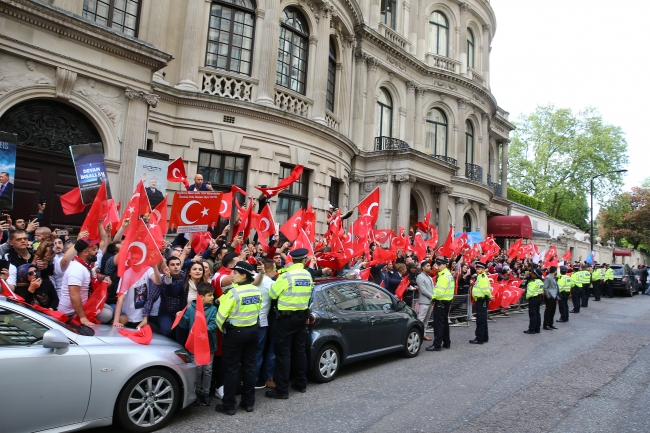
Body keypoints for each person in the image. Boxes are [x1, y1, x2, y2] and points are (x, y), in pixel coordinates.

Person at [214, 261, 261, 415]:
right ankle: (248, 402)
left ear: (243, 275)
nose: (231, 275)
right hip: (253, 332)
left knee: (232, 370)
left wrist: (225, 329)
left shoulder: (232, 293)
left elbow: (220, 318)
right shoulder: (256, 291)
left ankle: (228, 405)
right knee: (249, 367)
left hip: (235, 335)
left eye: (234, 273)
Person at [265, 248, 313, 399]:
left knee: (283, 354)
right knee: (299, 351)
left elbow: (272, 293)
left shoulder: (286, 276)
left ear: (292, 259)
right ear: (304, 260)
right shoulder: (307, 274)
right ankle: (301, 383)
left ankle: (282, 390)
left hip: (286, 319)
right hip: (301, 317)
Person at [58, 238, 113, 325]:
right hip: (71, 313)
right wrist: (82, 317)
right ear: (85, 252)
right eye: (94, 249)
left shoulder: (85, 265)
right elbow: (74, 295)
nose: (97, 252)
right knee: (107, 314)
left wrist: (105, 277)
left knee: (109, 309)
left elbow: (91, 275)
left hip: (86, 303)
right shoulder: (76, 269)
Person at [180, 282, 218, 406]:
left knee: (207, 370)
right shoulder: (191, 308)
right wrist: (181, 317)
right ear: (201, 297)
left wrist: (204, 329)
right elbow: (185, 324)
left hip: (208, 345)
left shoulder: (213, 309)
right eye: (210, 295)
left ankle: (205, 393)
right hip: (195, 346)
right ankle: (195, 393)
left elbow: (214, 324)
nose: (213, 297)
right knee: (197, 369)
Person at [112, 261, 163, 330]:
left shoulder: (147, 269)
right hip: (128, 318)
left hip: (142, 318)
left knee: (157, 331)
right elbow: (120, 299)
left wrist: (155, 268)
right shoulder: (127, 274)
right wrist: (116, 321)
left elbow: (158, 282)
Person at [254, 258, 277, 389]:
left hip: (250, 319)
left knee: (253, 351)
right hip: (261, 321)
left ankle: (253, 378)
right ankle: (257, 379)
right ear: (269, 270)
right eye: (275, 269)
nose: (276, 271)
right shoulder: (271, 284)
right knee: (259, 350)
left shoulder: (252, 277)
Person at [426, 257, 454, 352]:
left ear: (444, 265)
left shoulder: (443, 276)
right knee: (444, 323)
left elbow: (439, 292)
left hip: (441, 301)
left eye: (439, 264)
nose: (437, 266)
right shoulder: (448, 274)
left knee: (438, 324)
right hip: (446, 301)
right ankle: (447, 342)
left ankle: (437, 344)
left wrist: (433, 298)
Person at [469, 262, 492, 345]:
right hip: (481, 300)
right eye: (477, 269)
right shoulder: (480, 276)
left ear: (483, 269)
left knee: (480, 320)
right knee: (483, 320)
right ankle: (484, 337)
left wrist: (488, 297)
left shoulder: (482, 277)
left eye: (479, 269)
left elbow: (485, 290)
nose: (477, 270)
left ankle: (479, 338)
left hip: (482, 300)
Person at [415, 260, 433, 341]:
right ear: (423, 268)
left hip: (430, 301)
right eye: (428, 266)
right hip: (424, 301)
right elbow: (423, 290)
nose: (430, 267)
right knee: (421, 319)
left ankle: (423, 333)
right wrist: (432, 296)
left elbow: (431, 288)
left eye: (429, 266)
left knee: (426, 319)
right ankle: (418, 334)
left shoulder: (429, 277)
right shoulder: (420, 277)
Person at [524, 269, 544, 334]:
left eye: (532, 273)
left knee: (533, 314)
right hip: (539, 298)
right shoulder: (540, 282)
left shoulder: (533, 282)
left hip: (533, 299)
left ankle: (532, 329)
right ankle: (537, 328)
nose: (531, 274)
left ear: (535, 275)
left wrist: (527, 297)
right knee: (537, 313)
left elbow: (529, 292)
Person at [542, 266, 559, 330]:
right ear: (555, 271)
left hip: (554, 295)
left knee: (553, 310)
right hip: (550, 296)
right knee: (548, 310)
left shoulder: (554, 277)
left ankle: (550, 323)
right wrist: (548, 296)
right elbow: (545, 287)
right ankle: (546, 324)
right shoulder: (548, 277)